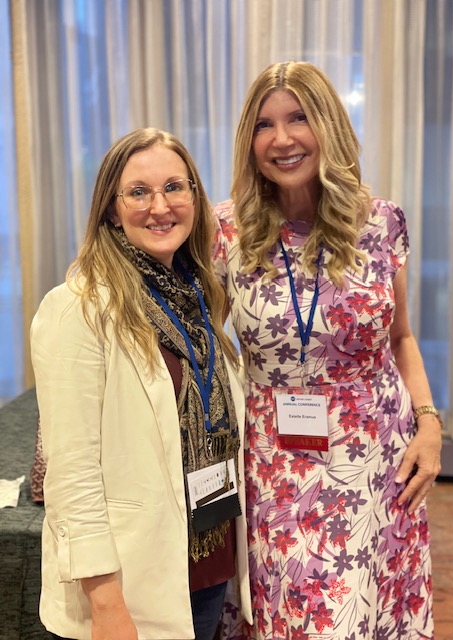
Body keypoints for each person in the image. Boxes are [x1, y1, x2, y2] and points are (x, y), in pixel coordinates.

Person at [213, 61, 442, 639]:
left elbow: (401, 338)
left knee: (365, 614)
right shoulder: (225, 232)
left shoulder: (381, 223)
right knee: (306, 618)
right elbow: (207, 347)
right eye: (264, 125)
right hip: (275, 465)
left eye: (299, 118)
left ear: (329, 126)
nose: (282, 139)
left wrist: (430, 424)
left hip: (377, 458)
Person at [30, 128, 252, 640]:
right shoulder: (78, 308)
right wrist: (105, 602)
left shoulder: (200, 298)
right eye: (138, 192)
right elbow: (72, 475)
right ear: (111, 209)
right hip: (131, 586)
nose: (160, 206)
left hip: (205, 562)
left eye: (174, 187)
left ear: (195, 197)